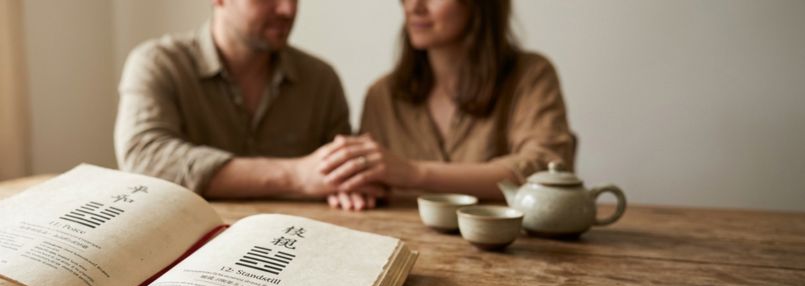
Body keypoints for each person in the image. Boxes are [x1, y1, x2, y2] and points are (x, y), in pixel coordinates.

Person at [320, 0, 576, 211]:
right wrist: (356, 189)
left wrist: (414, 173)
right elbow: (368, 183)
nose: (414, 6)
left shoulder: (531, 75)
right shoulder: (382, 95)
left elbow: (544, 169)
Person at [115, 0, 384, 200]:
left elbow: (345, 175)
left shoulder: (320, 80)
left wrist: (349, 187)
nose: (287, 10)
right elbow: (145, 159)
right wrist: (297, 176)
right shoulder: (159, 64)